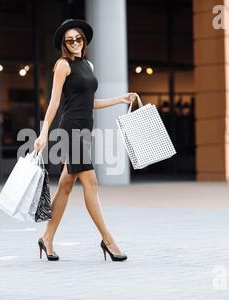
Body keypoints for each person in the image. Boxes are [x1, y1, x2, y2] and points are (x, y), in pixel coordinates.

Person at [33, 18, 137, 262]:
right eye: (70, 40)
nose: (75, 43)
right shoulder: (62, 65)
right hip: (71, 131)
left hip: (85, 130)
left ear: (84, 40)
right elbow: (54, 103)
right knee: (91, 183)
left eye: (78, 38)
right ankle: (108, 240)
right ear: (64, 44)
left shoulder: (88, 64)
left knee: (66, 186)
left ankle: (47, 237)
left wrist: (119, 99)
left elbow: (88, 102)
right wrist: (43, 133)